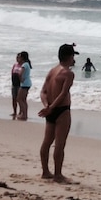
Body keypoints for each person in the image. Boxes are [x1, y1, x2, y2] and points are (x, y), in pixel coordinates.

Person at [39, 43, 77, 183]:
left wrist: (47, 106)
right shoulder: (68, 73)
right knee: (60, 144)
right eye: (73, 55)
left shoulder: (52, 70)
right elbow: (63, 94)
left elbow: (43, 92)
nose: (74, 59)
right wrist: (53, 107)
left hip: (50, 110)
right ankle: (58, 175)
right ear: (69, 56)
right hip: (61, 110)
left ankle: (45, 171)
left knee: (47, 142)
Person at [17, 51, 32, 121]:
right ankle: (24, 114)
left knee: (20, 99)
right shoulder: (27, 64)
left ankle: (24, 114)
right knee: (23, 100)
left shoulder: (24, 65)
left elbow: (20, 73)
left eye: (19, 57)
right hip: (27, 83)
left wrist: (21, 79)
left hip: (25, 84)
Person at [10, 53, 24, 119]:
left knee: (19, 99)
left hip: (20, 84)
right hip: (14, 83)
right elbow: (12, 73)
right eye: (17, 57)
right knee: (14, 98)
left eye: (19, 57)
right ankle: (14, 111)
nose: (17, 58)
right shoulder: (15, 65)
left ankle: (21, 112)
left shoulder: (23, 66)